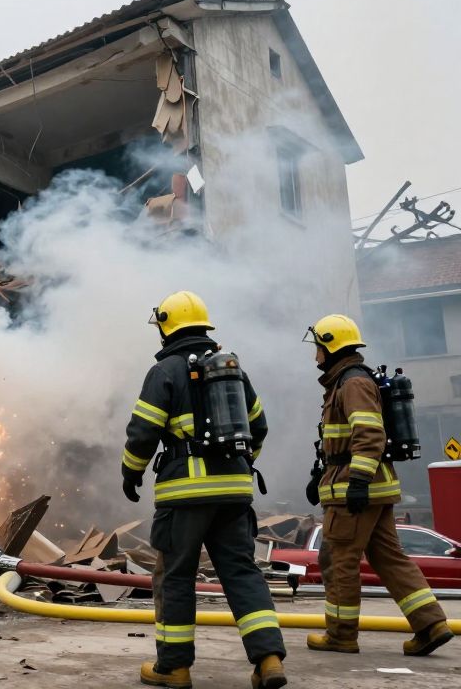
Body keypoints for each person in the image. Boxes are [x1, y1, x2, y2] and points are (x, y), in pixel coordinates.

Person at [121, 291, 286, 689]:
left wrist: (131, 471)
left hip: (185, 496)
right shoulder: (232, 368)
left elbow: (143, 432)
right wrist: (239, 464)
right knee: (242, 573)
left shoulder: (164, 371)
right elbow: (259, 427)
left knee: (176, 577)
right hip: (235, 492)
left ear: (166, 328)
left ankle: (174, 668)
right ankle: (268, 661)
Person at [303, 314, 453, 656]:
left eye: (318, 347)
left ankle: (340, 634)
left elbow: (369, 435)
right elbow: (341, 442)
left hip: (356, 490)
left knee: (339, 559)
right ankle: (431, 624)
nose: (315, 356)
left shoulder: (352, 383)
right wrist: (320, 475)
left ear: (331, 346)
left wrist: (357, 482)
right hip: (370, 487)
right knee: (389, 558)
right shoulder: (347, 382)